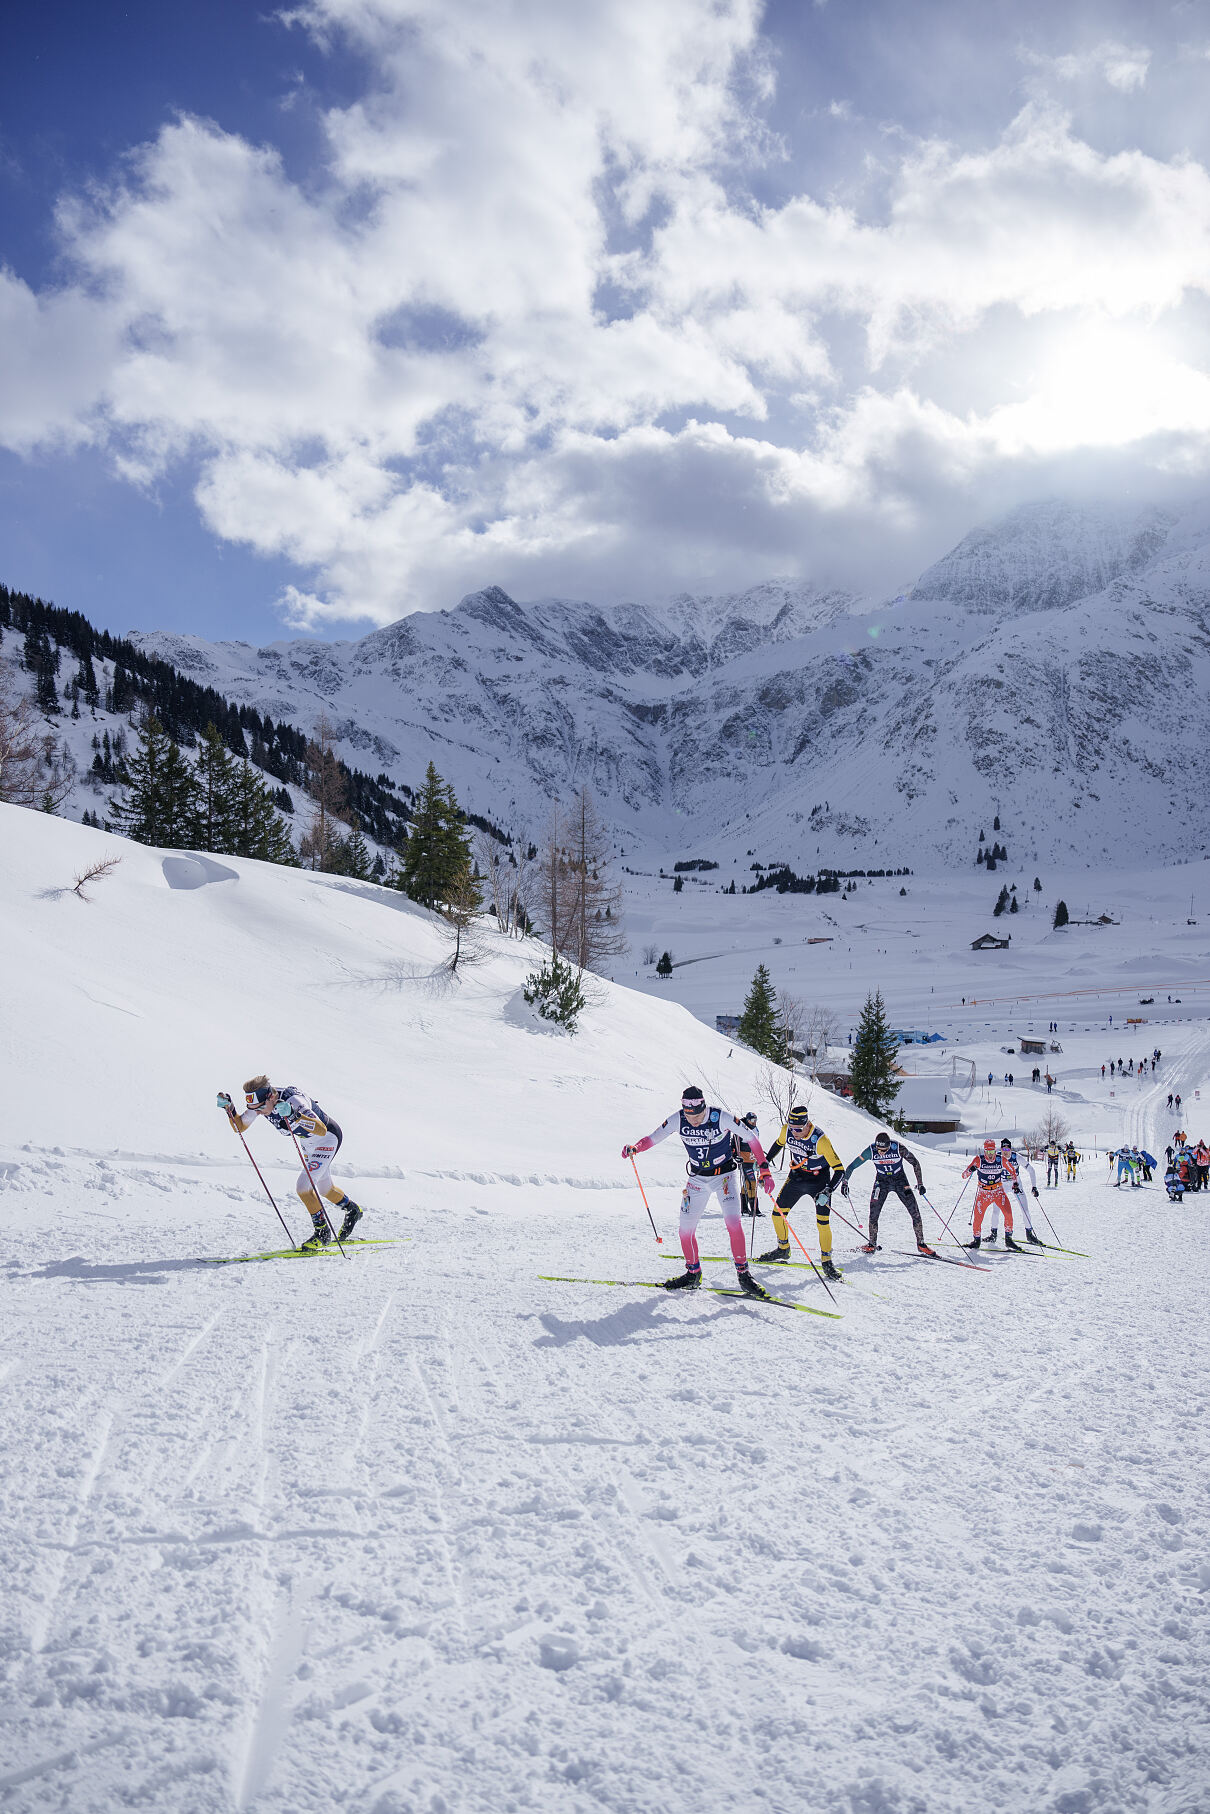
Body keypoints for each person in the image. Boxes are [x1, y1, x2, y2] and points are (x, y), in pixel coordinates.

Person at [622, 1086, 776, 1296]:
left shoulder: (720, 1116)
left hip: (724, 1176)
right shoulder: (678, 1119)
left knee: (733, 1222)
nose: (693, 1120)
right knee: (685, 1229)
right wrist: (636, 1148)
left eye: (697, 1115)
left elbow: (752, 1139)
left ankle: (744, 1275)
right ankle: (693, 1273)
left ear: (704, 1108)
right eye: (688, 1115)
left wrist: (765, 1170)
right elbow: (653, 1138)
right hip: (697, 1179)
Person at [220, 1076, 363, 1250]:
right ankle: (352, 1210)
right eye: (255, 1110)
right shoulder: (261, 1104)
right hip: (308, 1143)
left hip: (326, 1139)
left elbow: (320, 1129)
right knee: (326, 1190)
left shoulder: (293, 1100)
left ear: (271, 1097)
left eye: (262, 1108)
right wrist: (230, 1109)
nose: (260, 1112)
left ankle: (323, 1233)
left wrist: (294, 1115)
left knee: (304, 1187)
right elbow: (240, 1127)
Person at [757, 1106, 846, 1281]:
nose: (794, 1132)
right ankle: (783, 1249)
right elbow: (779, 1144)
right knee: (777, 1215)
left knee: (822, 1222)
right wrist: (765, 1163)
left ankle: (827, 1261)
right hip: (797, 1176)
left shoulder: (821, 1140)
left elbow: (840, 1170)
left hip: (819, 1181)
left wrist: (827, 1191)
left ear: (807, 1125)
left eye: (798, 1129)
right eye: (791, 1128)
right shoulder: (787, 1131)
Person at [842, 1133, 935, 1257]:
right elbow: (852, 1166)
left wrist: (920, 1183)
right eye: (879, 1150)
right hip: (882, 1182)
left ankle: (921, 1244)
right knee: (873, 1213)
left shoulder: (898, 1148)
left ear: (889, 1145)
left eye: (884, 1150)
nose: (881, 1153)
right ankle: (872, 1244)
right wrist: (845, 1181)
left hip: (900, 1181)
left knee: (915, 1212)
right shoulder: (870, 1151)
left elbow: (915, 1163)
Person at [962, 1139, 1022, 1250]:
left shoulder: (1001, 1160)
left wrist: (1015, 1184)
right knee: (978, 1218)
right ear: (984, 1151)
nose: (990, 1155)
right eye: (988, 1152)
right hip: (983, 1193)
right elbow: (964, 1175)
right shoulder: (978, 1160)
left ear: (995, 1150)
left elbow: (1013, 1171)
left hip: (998, 1192)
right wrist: (971, 1169)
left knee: (1008, 1213)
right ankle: (976, 1240)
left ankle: (1008, 1240)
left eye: (992, 1151)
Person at [984, 1138, 1044, 1246]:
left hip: (1015, 1184)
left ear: (1010, 1149)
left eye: (1007, 1148)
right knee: (996, 1211)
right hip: (1001, 1185)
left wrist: (1034, 1187)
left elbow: (1031, 1170)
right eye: (1003, 1148)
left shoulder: (1016, 1157)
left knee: (1025, 1209)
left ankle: (1029, 1234)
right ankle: (993, 1234)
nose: (1005, 1151)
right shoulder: (997, 1157)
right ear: (1001, 1149)